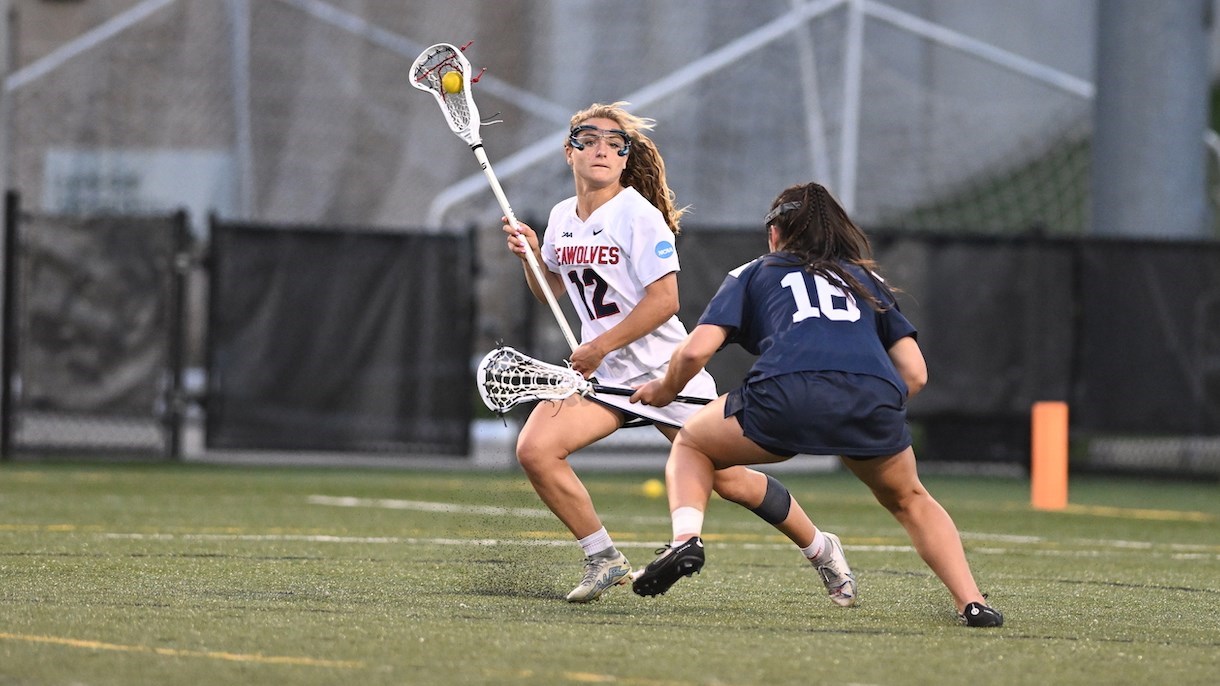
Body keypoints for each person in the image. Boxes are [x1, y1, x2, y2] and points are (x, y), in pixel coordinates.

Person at [502, 103, 855, 605]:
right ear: (569, 150)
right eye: (589, 138)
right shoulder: (562, 216)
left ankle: (821, 549)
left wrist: (599, 345)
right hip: (607, 380)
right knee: (536, 449)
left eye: (614, 142)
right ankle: (602, 557)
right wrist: (532, 259)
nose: (601, 148)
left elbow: (665, 300)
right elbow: (550, 291)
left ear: (626, 158)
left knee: (730, 482)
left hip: (667, 374)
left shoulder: (638, 216)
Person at [628, 181, 1004, 627]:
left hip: (787, 394)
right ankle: (972, 602)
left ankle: (686, 539)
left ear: (774, 232)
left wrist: (665, 391)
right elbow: (916, 373)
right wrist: (864, 406)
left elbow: (693, 352)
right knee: (910, 499)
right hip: (871, 397)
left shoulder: (753, 272)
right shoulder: (865, 279)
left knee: (692, 443)